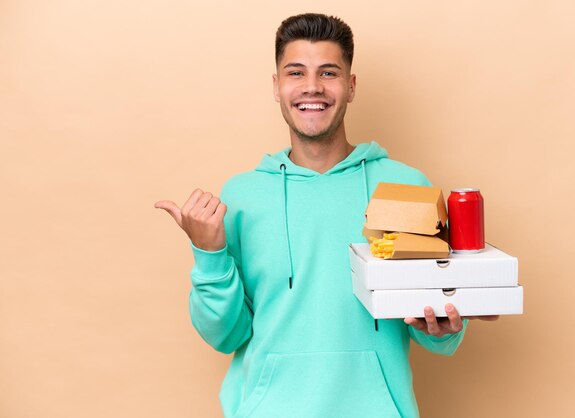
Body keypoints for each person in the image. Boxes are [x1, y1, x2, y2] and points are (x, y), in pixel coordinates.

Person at [155, 13, 497, 418]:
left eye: (329, 72)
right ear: (277, 86)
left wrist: (442, 328)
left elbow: (434, 332)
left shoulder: (407, 186)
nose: (312, 87)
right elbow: (225, 335)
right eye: (295, 72)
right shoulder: (242, 196)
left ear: (351, 86)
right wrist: (208, 253)